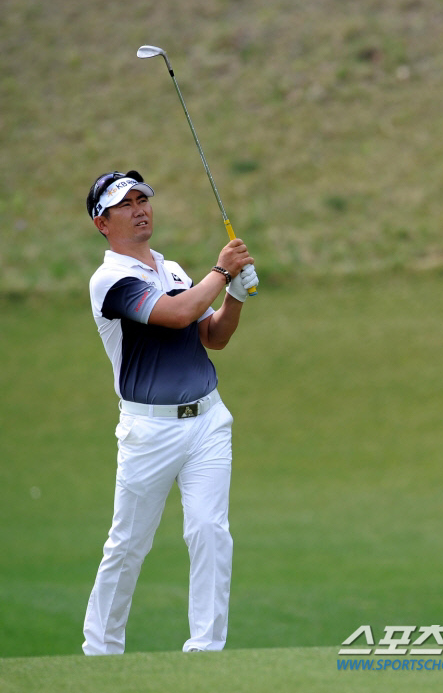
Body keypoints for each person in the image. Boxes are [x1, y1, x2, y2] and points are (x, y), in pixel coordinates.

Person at [82, 170, 259, 655]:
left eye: (142, 199)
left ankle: (206, 649)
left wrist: (234, 298)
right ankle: (101, 651)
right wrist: (222, 272)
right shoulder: (110, 280)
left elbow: (212, 336)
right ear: (102, 223)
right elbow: (177, 315)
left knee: (210, 531)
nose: (139, 209)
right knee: (128, 544)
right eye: (125, 204)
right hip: (149, 431)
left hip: (207, 421)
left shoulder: (174, 270)